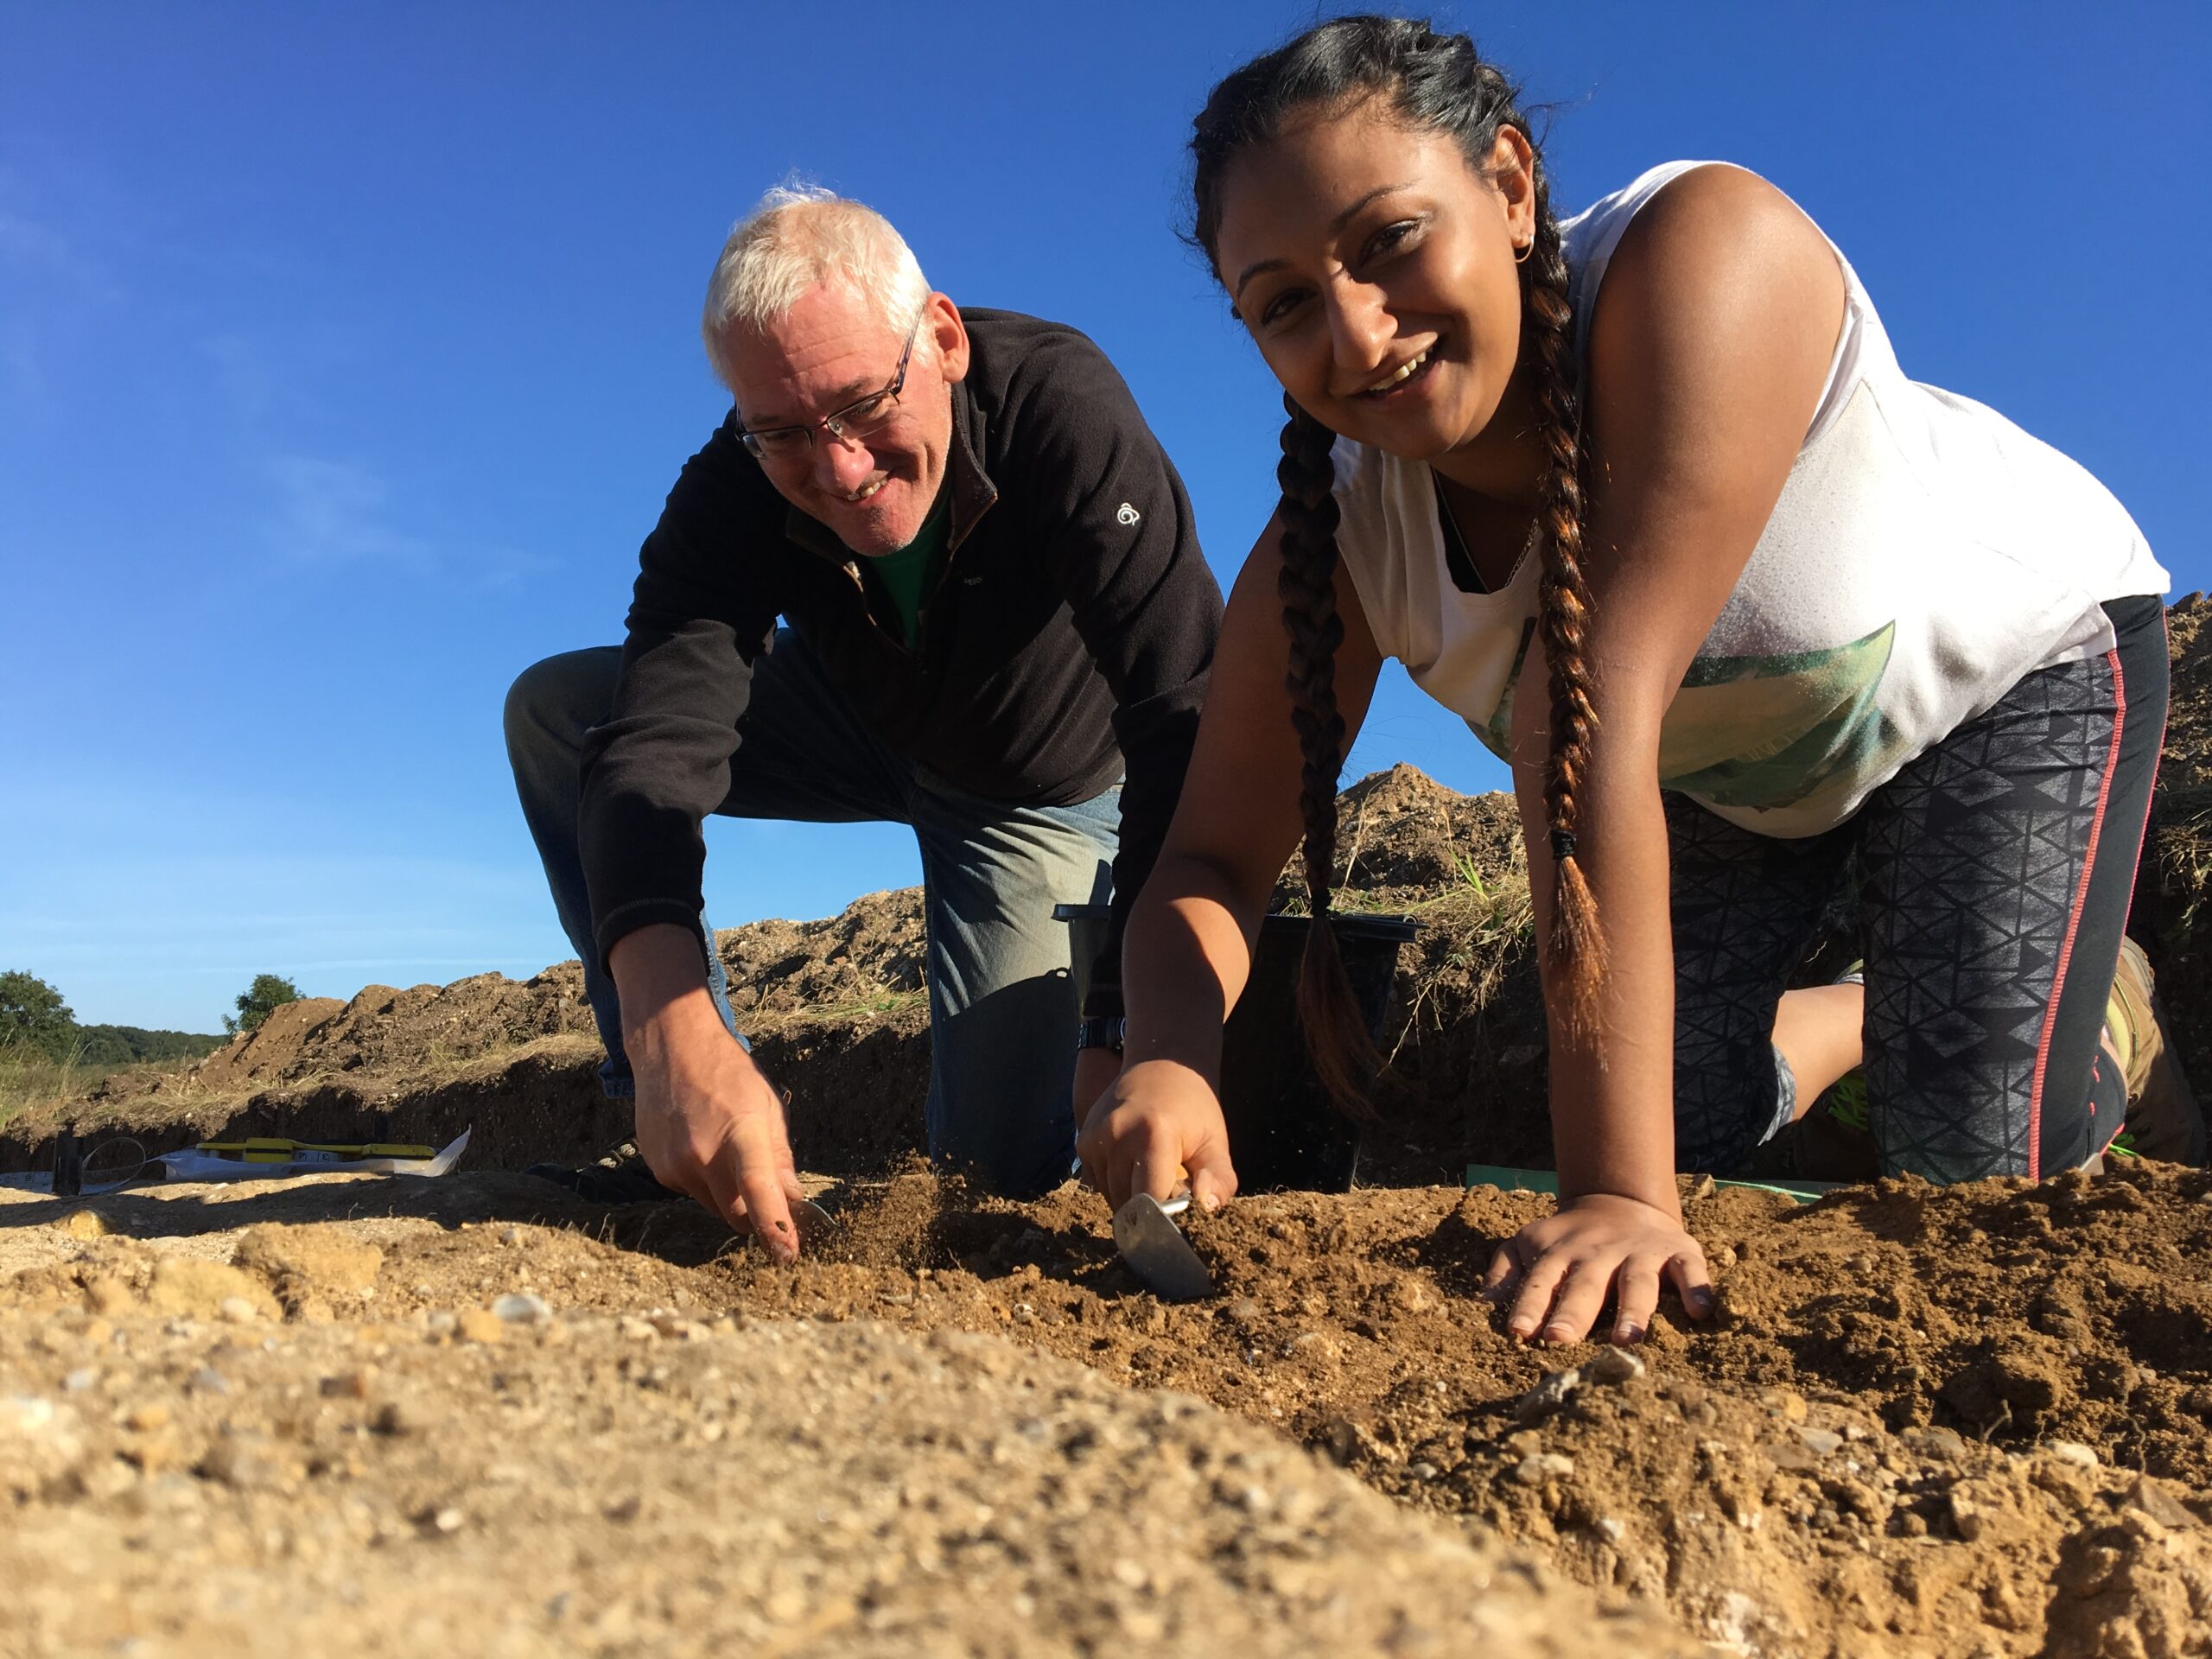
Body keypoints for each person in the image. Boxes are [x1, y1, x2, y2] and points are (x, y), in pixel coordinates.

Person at [1077, 16, 2169, 1345]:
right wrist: (1171, 1056)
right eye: (1288, 303)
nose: (1359, 336)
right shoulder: (1337, 546)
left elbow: (1586, 711)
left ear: (1514, 185)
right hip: (1725, 772)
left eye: (1391, 242)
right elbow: (1208, 863)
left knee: (1964, 1166)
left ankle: (2093, 999)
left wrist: (1615, 1195)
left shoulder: (1707, 251)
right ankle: (1875, 1011)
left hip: (2008, 678)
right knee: (1686, 1117)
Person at [506, 187, 1220, 1257]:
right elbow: (657, 740)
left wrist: (1125, 1022)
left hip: (1031, 789)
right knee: (560, 711)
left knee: (987, 1185)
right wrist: (672, 1031)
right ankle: (676, 1110)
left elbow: (1182, 713)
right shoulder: (734, 483)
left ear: (939, 338)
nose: (838, 468)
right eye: (784, 431)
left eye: (863, 405)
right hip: (854, 718)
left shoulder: (1056, 404)